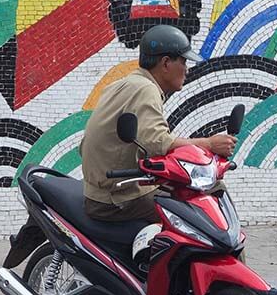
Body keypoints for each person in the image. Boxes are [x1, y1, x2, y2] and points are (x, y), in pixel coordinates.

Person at [80, 25, 237, 223]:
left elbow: (149, 140)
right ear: (165, 63)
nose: (186, 70)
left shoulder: (126, 83)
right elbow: (158, 142)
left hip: (107, 189)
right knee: (197, 215)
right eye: (183, 62)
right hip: (117, 198)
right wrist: (210, 144)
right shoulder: (146, 89)